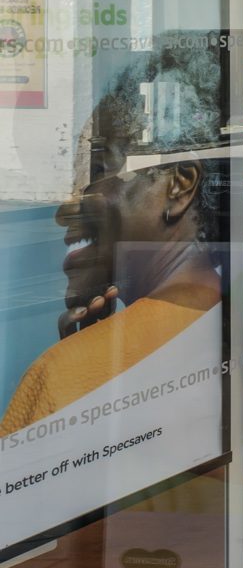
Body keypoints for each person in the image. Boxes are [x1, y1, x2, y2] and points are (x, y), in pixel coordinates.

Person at [2, 56, 225, 436]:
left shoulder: (57, 377)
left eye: (98, 168)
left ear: (180, 184)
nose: (66, 208)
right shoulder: (230, 313)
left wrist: (81, 367)